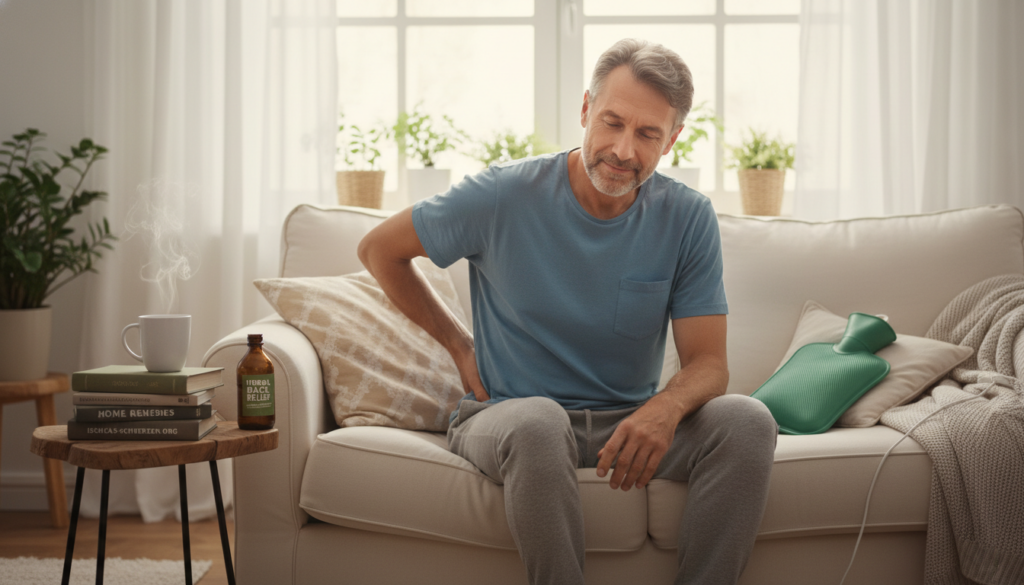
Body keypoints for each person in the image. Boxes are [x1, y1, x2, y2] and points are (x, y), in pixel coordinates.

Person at [358, 38, 778, 585]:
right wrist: (460, 344)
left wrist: (666, 408)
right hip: (513, 418)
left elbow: (710, 364)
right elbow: (379, 250)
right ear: (585, 109)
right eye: (612, 122)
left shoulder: (688, 217)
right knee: (540, 420)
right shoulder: (503, 194)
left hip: (625, 423)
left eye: (647, 134)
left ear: (672, 139)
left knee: (747, 420)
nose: (623, 150)